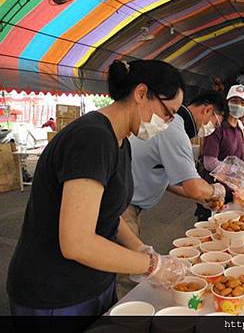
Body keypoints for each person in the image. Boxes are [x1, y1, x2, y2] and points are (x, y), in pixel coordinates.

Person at [7, 59, 187, 318]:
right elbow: (76, 243)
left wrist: (139, 248)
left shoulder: (121, 140)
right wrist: (151, 265)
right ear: (141, 93)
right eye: (167, 113)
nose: (167, 123)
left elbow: (108, 213)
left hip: (92, 281)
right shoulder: (92, 139)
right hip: (55, 292)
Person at [121, 90, 227, 237]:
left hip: (130, 202)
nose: (212, 130)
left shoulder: (177, 126)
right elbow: (194, 187)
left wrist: (203, 197)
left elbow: (172, 183)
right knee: (127, 255)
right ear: (208, 110)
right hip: (123, 205)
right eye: (214, 124)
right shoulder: (174, 128)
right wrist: (215, 190)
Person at [196, 84, 244, 221]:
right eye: (234, 101)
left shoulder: (239, 128)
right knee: (212, 230)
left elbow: (239, 161)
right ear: (226, 103)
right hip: (214, 192)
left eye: (242, 102)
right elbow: (209, 162)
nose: (238, 105)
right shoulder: (218, 126)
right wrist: (235, 171)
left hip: (231, 192)